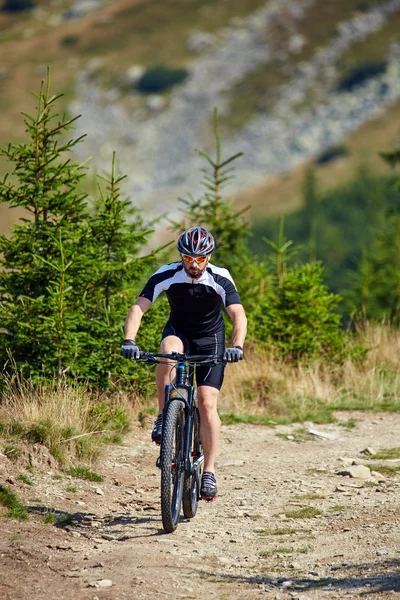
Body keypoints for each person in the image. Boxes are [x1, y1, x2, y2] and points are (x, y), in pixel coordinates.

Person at [121, 226, 247, 500]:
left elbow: (238, 314)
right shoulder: (166, 273)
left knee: (206, 402)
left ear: (209, 257)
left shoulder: (220, 277)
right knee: (167, 351)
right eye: (188, 258)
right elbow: (138, 307)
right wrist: (129, 340)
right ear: (181, 256)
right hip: (179, 333)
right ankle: (163, 416)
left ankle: (210, 471)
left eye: (200, 258)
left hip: (210, 339)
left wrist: (236, 347)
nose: (194, 264)